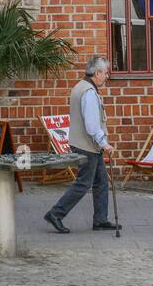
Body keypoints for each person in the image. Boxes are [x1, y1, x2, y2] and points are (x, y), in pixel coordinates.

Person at [44, 56, 119, 234]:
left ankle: (100, 219)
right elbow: (92, 125)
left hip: (87, 144)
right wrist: (105, 144)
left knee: (100, 181)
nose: (107, 76)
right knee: (84, 183)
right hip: (88, 145)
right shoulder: (89, 93)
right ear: (97, 72)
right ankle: (55, 213)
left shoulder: (81, 86)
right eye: (105, 73)